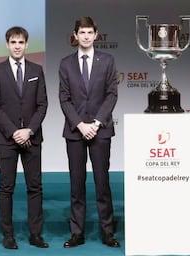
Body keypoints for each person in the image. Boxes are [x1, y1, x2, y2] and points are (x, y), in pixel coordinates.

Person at [59, 16, 119, 248]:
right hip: (75, 132)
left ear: (96, 34)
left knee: (102, 183)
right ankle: (77, 233)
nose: (85, 36)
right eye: (81, 32)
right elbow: (64, 98)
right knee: (77, 184)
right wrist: (80, 125)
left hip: (100, 131)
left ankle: (107, 232)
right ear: (75, 36)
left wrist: (95, 123)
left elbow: (112, 94)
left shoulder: (108, 60)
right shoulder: (66, 64)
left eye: (89, 32)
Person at [0, 26, 49, 249]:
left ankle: (35, 234)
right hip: (6, 139)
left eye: (21, 42)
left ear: (26, 44)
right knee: (6, 187)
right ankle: (8, 235)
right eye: (13, 42)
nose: (17, 46)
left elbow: (42, 105)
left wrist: (29, 130)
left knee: (35, 187)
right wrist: (15, 132)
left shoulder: (36, 69)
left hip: (32, 137)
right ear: (7, 44)